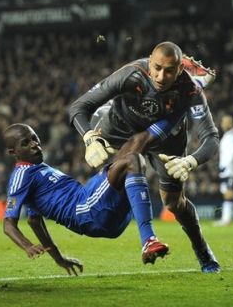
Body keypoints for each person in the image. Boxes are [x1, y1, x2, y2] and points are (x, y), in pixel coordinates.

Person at [69, 41, 221, 273]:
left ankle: (203, 251)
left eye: (169, 70)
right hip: (120, 127)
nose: (161, 76)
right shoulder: (131, 74)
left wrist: (191, 161)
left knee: (174, 203)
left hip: (167, 139)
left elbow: (210, 137)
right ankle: (147, 237)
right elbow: (78, 107)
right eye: (157, 67)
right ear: (149, 62)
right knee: (103, 158)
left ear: (179, 70)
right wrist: (89, 138)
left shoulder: (190, 90)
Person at [3, 123, 171, 276]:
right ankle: (149, 240)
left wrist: (59, 259)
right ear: (13, 152)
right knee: (132, 159)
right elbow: (8, 224)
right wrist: (27, 245)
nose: (34, 145)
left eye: (34, 138)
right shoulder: (22, 175)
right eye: (25, 143)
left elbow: (34, 220)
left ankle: (179, 110)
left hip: (93, 206)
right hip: (86, 211)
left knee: (134, 144)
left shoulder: (35, 170)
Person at [213, 115, 233, 226]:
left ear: (230, 123)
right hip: (226, 170)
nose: (223, 124)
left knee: (229, 194)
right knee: (229, 193)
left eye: (225, 122)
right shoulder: (228, 136)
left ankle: (226, 219)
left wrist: (226, 165)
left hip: (231, 170)